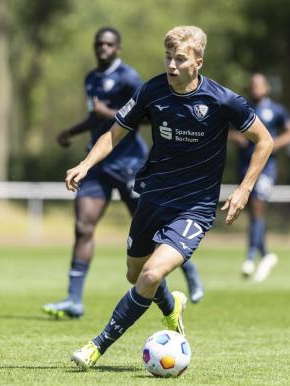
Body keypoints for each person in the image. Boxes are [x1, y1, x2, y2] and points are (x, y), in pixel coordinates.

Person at [65, 26, 274, 370]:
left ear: (198, 62)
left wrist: (244, 188)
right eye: (168, 58)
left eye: (180, 59)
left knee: (150, 276)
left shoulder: (222, 101)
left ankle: (96, 346)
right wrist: (86, 164)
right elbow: (115, 132)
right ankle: (171, 307)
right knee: (135, 275)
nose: (172, 65)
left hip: (195, 207)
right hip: (154, 198)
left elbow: (264, 140)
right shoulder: (152, 91)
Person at [42, 27, 205, 320]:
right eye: (98, 44)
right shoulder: (91, 78)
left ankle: (189, 271)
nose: (102, 48)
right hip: (99, 162)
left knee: (155, 230)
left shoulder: (130, 78)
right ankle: (74, 299)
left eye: (108, 44)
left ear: (118, 48)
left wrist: (109, 115)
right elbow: (97, 116)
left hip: (130, 163)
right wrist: (72, 131)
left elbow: (148, 115)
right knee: (83, 226)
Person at [229, 74, 290, 282]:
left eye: (259, 85)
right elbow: (227, 130)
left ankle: (250, 258)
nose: (256, 88)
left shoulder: (276, 110)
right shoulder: (244, 108)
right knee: (251, 213)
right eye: (253, 85)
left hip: (266, 168)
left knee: (258, 208)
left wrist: (273, 144)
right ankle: (266, 255)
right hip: (245, 167)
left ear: (267, 88)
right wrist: (236, 138)